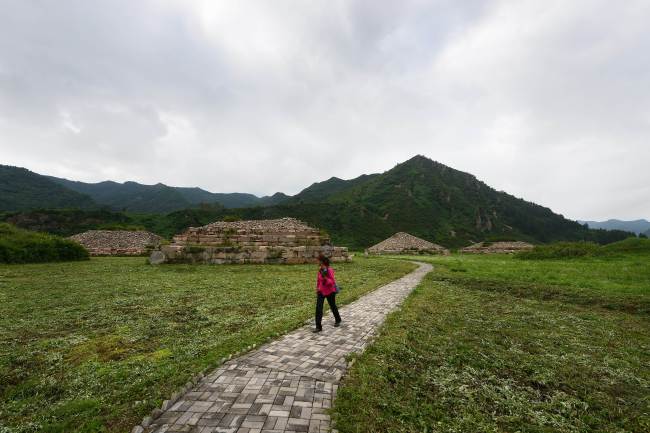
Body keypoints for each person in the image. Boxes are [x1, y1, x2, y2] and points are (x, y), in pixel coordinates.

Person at [313, 255, 342, 333]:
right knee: (318, 309)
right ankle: (318, 327)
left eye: (318, 260)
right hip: (321, 291)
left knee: (333, 306)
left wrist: (325, 278)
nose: (317, 261)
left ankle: (338, 320)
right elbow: (318, 281)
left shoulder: (329, 270)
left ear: (322, 262)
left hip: (330, 291)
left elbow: (332, 282)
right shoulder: (320, 270)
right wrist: (317, 288)